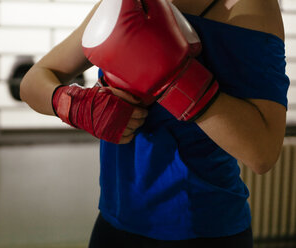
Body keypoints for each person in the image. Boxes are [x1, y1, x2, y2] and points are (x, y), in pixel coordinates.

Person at [20, 0, 290, 247]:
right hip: (115, 223)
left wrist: (173, 77)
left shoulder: (249, 6)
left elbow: (262, 153)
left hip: (204, 230)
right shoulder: (127, 2)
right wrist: (77, 105)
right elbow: (34, 81)